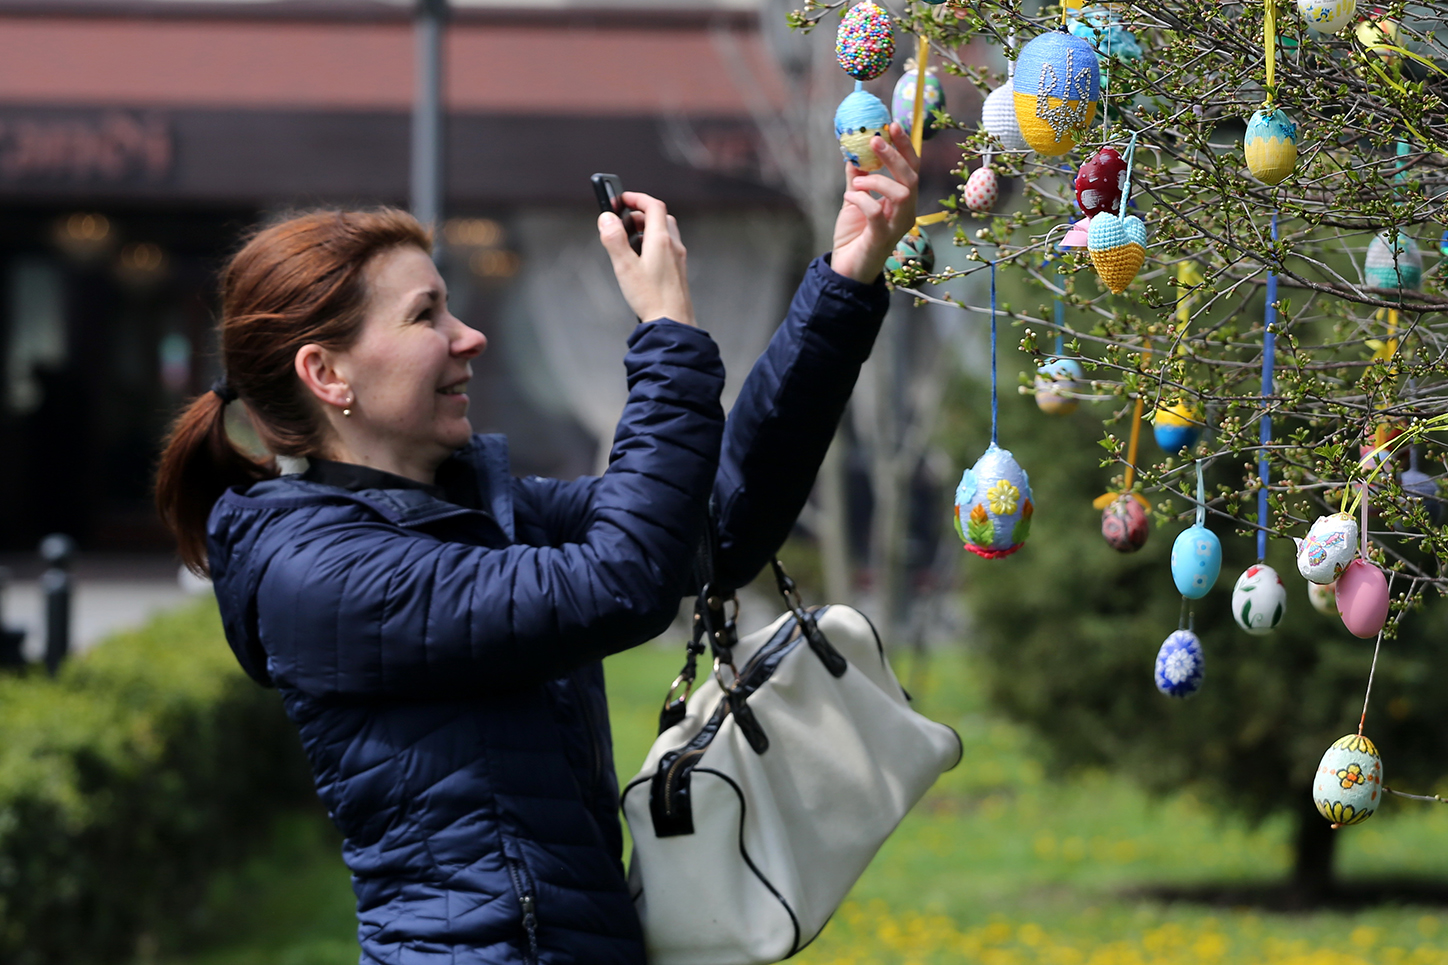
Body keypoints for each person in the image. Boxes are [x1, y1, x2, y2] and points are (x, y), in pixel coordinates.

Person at [155, 127, 919, 965]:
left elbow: (714, 527)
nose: (468, 335)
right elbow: (618, 582)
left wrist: (842, 283)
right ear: (327, 375)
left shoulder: (474, 511)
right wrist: (666, 330)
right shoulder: (320, 573)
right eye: (425, 315)